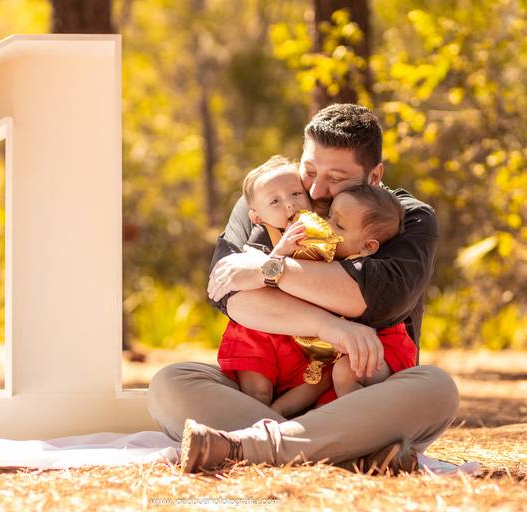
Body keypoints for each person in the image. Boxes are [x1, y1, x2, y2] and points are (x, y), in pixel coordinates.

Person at [146, 103, 459, 474]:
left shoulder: (401, 218)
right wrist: (331, 327)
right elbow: (229, 295)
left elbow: (374, 296)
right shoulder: (267, 200)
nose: (314, 188)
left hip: (363, 401)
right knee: (170, 383)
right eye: (309, 169)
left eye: (337, 178)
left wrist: (267, 268)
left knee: (436, 388)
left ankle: (244, 446)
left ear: (374, 176)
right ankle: (354, 454)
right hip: (265, 397)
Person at [217, 155, 416, 418]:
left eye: (296, 194)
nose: (327, 225)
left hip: (342, 348)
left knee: (334, 381)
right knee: (258, 390)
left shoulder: (356, 256)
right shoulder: (262, 237)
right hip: (291, 336)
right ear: (256, 215)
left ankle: (357, 428)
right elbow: (231, 289)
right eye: (330, 217)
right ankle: (269, 424)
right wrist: (277, 255)